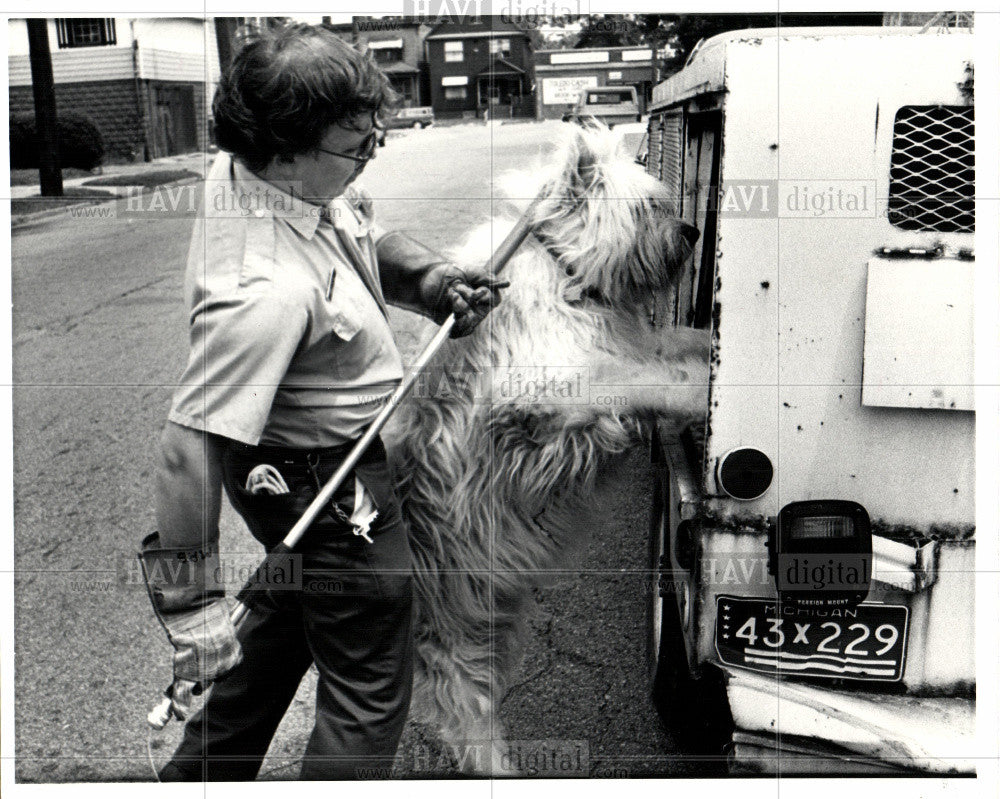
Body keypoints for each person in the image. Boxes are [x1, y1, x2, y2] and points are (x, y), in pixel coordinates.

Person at [138, 22, 503, 781]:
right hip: (326, 483)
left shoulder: (275, 174)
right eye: (355, 145)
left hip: (301, 475)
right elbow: (187, 447)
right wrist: (194, 607)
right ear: (283, 151)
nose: (371, 153)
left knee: (286, 622)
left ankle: (195, 779)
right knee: (369, 681)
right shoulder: (259, 290)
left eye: (376, 135)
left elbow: (359, 242)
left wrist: (433, 284)